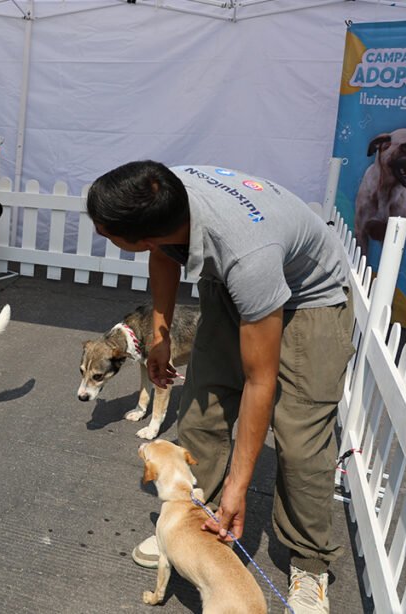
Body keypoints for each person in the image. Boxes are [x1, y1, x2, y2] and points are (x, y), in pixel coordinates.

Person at [86, 161, 355, 613]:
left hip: (310, 301)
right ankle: (193, 521)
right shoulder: (165, 193)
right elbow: (163, 254)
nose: (100, 232)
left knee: (300, 436)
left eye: (107, 232)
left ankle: (309, 563)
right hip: (233, 283)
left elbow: (259, 380)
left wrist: (239, 486)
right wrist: (161, 335)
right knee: (202, 401)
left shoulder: (247, 255)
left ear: (144, 234)